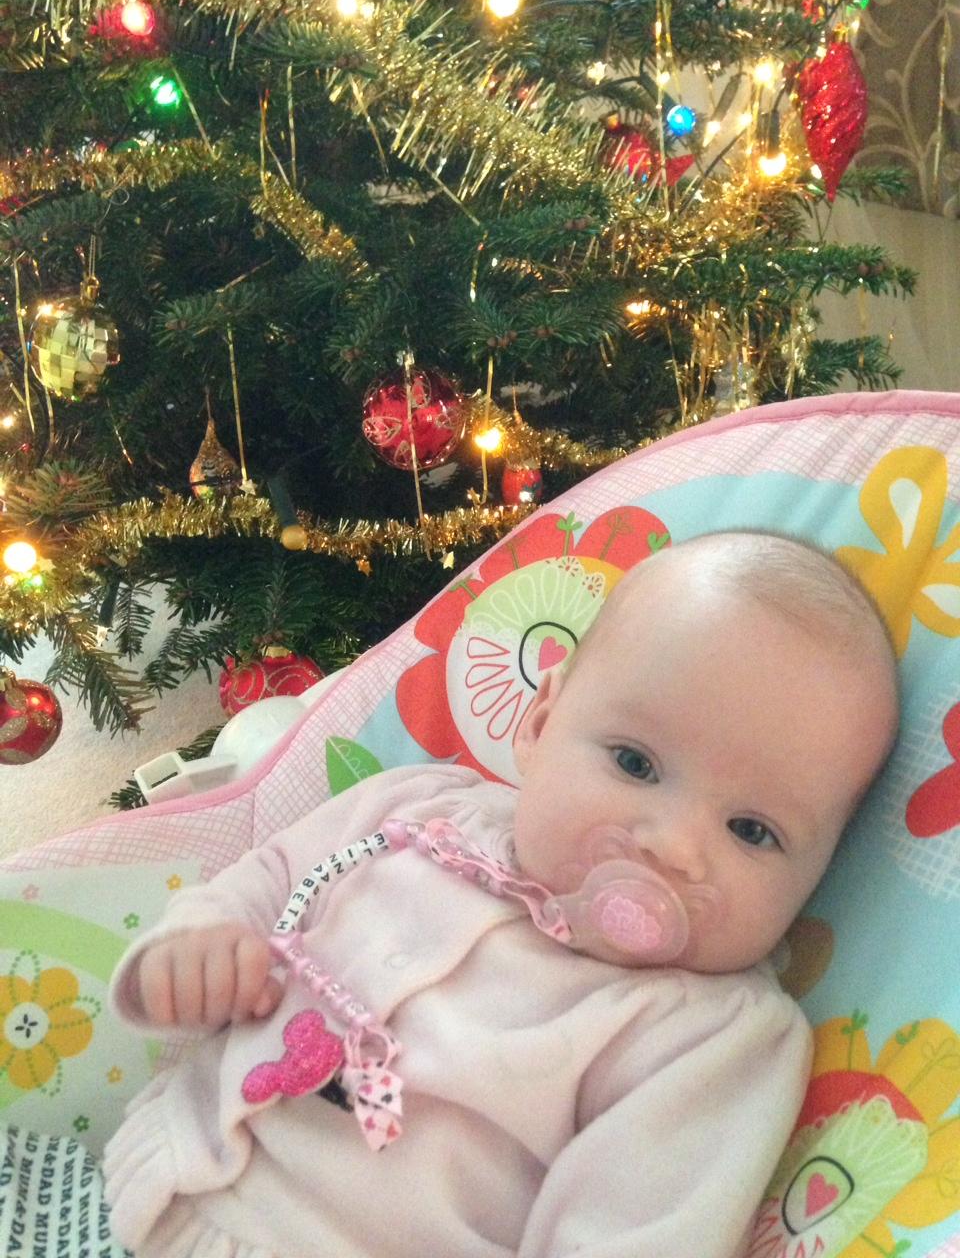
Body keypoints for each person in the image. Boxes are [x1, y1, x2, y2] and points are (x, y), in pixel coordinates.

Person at [103, 530, 900, 1258]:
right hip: (161, 1165)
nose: (673, 847)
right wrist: (201, 947)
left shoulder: (709, 1037)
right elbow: (274, 877)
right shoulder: (417, 806)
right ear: (541, 721)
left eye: (752, 831)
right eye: (635, 764)